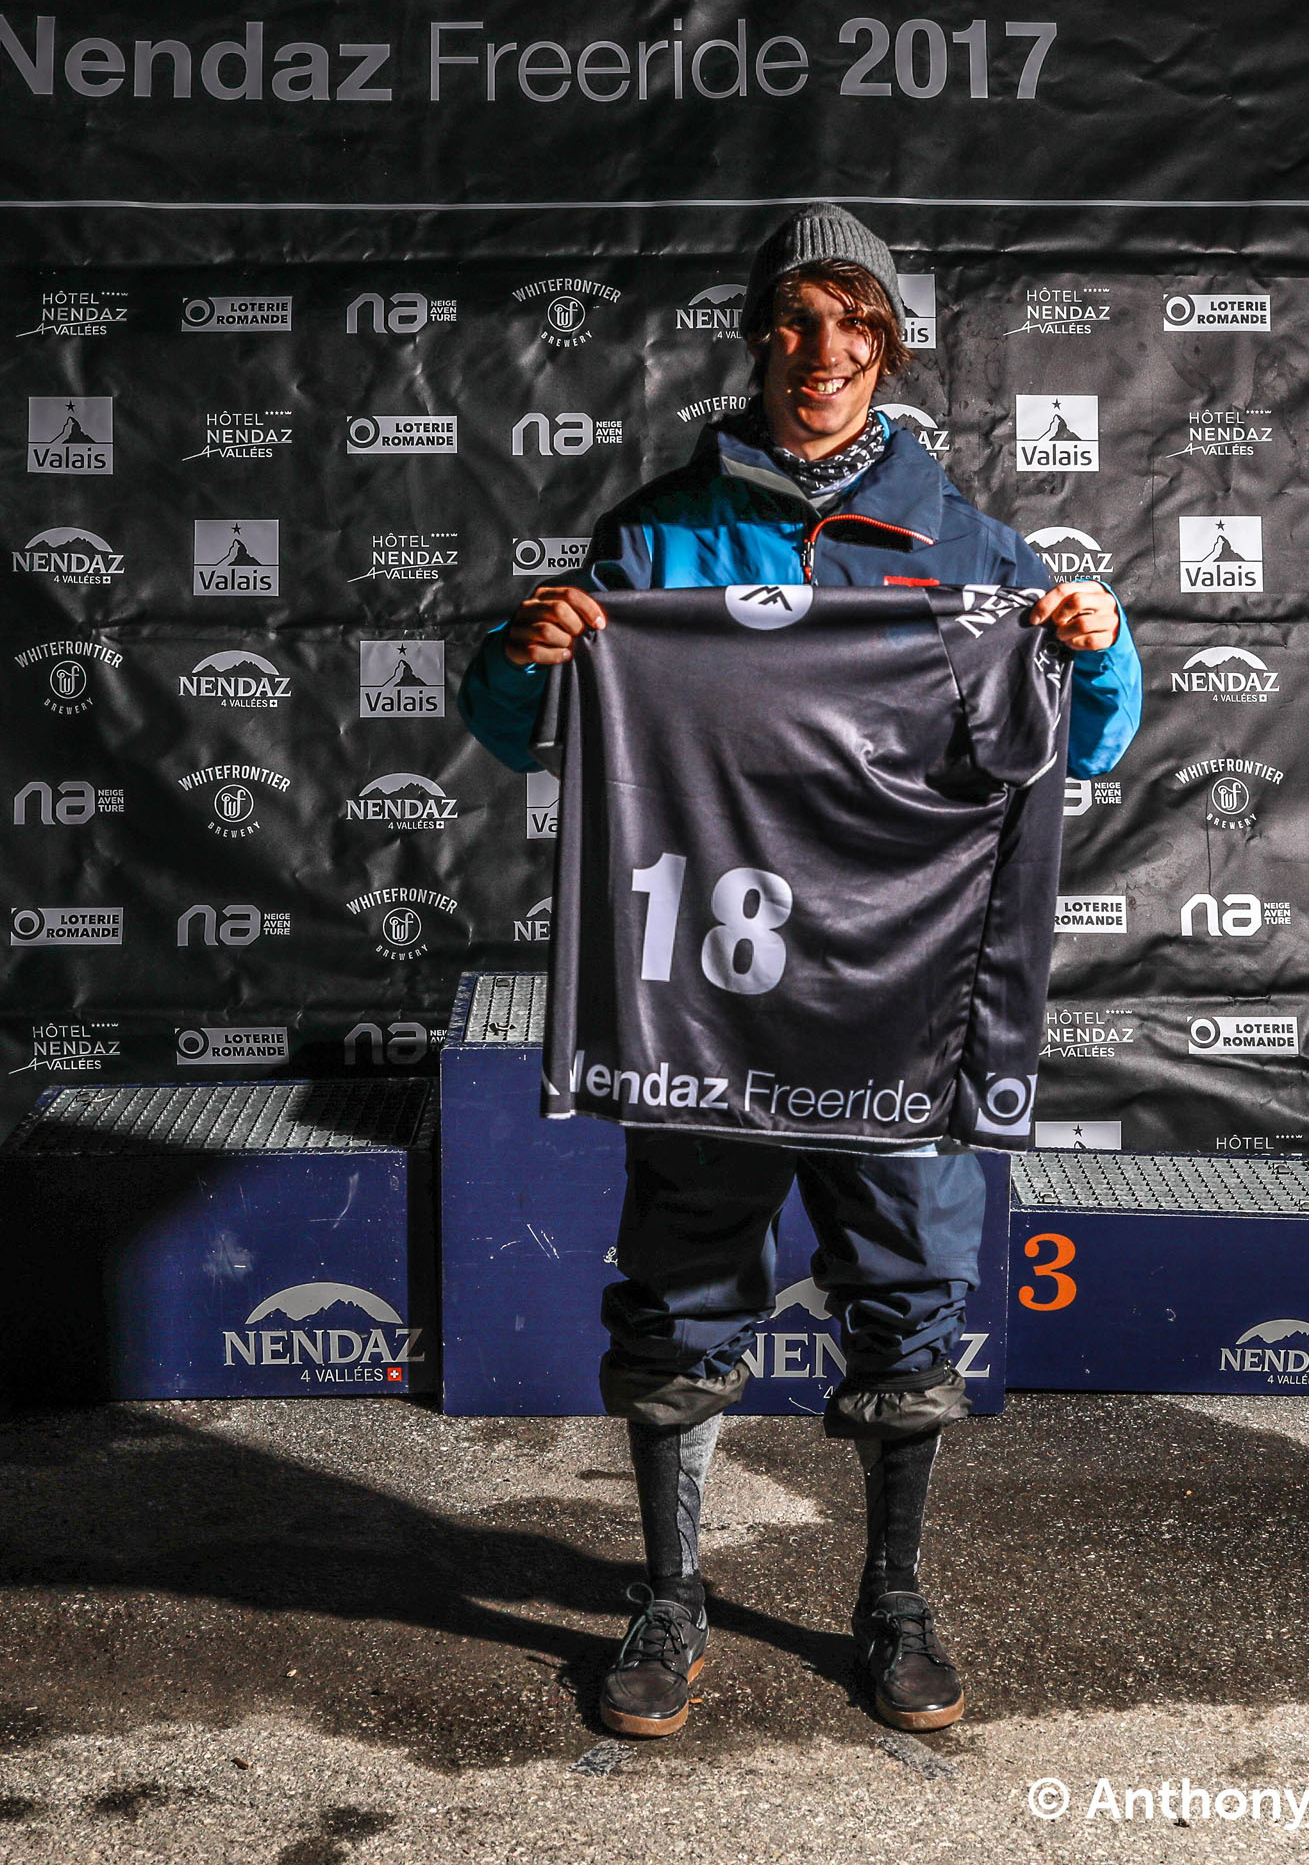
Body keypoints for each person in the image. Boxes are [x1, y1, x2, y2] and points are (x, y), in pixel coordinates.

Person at [457, 205, 1141, 1738]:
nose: (821, 352)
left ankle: (892, 1597)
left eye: (853, 323)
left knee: (908, 1297)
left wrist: (1093, 644)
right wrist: (528, 651)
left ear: (885, 346)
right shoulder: (656, 533)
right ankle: (671, 1596)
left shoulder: (970, 546)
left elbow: (1080, 742)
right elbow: (518, 730)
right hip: (705, 998)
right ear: (758, 334)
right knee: (680, 1294)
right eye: (795, 319)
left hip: (898, 1004)